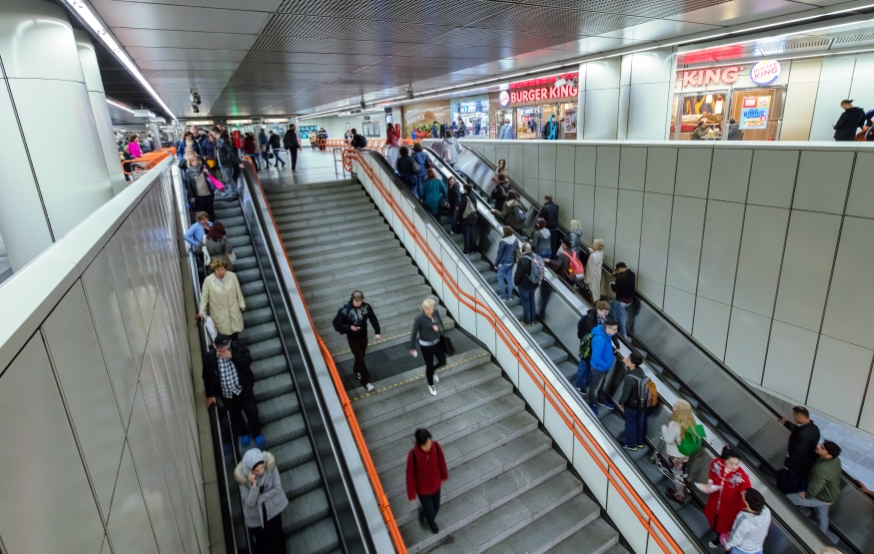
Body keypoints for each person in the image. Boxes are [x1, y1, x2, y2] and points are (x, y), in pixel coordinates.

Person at [202, 333, 263, 448]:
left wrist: (232, 356)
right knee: (235, 414)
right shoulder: (210, 357)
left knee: (252, 411)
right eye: (219, 348)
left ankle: (256, 433)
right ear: (215, 346)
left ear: (230, 343)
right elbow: (207, 376)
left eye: (224, 347)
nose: (222, 350)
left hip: (243, 388)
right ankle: (244, 433)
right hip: (226, 393)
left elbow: (247, 361)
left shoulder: (239, 347)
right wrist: (210, 394)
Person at [234, 448, 288, 553]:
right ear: (250, 470)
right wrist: (254, 486)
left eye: (262, 468)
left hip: (273, 511)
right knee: (263, 543)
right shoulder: (243, 479)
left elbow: (277, 488)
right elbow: (249, 503)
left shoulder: (270, 466)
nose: (261, 472)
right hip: (257, 518)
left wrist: (259, 499)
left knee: (278, 538)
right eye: (256, 471)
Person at [788, 441, 841, 534]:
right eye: (821, 444)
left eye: (822, 448)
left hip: (821, 497)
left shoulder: (821, 469)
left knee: (788, 498)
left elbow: (816, 487)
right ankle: (821, 537)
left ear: (828, 456)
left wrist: (807, 495)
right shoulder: (836, 460)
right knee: (822, 517)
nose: (817, 446)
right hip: (829, 496)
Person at [332, 291, 381, 392]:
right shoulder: (345, 310)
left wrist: (377, 332)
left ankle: (356, 369)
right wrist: (349, 327)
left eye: (360, 301)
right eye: (356, 301)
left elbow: (373, 318)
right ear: (352, 299)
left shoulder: (366, 307)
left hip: (363, 336)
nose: (358, 303)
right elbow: (338, 323)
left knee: (361, 356)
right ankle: (366, 381)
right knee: (360, 358)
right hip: (352, 338)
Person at [702, 447, 751, 547]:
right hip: (715, 500)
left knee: (723, 523)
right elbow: (712, 472)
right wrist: (710, 482)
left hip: (728, 506)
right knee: (714, 519)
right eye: (731, 463)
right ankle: (716, 531)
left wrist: (743, 492)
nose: (734, 467)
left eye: (737, 464)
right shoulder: (717, 463)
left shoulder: (741, 474)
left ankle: (718, 539)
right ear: (724, 460)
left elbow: (746, 488)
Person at [406, 428, 448, 534]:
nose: (428, 446)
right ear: (420, 445)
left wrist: (444, 475)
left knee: (436, 508)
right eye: (425, 445)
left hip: (436, 485)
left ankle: (423, 511)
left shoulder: (436, 447)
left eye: (429, 442)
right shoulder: (413, 455)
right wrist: (411, 494)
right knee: (431, 513)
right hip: (423, 490)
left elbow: (441, 462)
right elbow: (410, 475)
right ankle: (431, 522)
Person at [777, 406, 821, 494]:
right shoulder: (814, 428)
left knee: (791, 483)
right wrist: (787, 423)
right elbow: (798, 429)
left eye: (794, 416)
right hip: (806, 464)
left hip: (797, 465)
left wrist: (788, 464)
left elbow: (798, 452)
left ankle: (788, 497)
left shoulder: (803, 434)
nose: (794, 417)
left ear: (800, 417)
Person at [408, 298, 447, 396]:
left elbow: (440, 324)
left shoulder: (435, 313)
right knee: (429, 366)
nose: (431, 310)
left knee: (442, 360)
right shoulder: (419, 319)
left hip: (437, 342)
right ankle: (431, 385)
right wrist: (412, 347)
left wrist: (437, 326)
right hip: (426, 346)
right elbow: (413, 333)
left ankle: (433, 371)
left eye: (432, 308)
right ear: (424, 309)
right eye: (428, 309)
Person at [199, 258, 246, 338]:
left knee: (235, 334)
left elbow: (238, 291)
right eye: (218, 270)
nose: (220, 272)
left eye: (222, 269)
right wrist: (202, 311)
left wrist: (242, 304)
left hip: (233, 309)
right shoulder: (208, 281)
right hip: (219, 313)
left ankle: (235, 347)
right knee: (223, 335)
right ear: (214, 270)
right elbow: (204, 297)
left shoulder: (232, 276)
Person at [574, 300, 614, 392]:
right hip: (587, 346)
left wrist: (617, 346)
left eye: (607, 312)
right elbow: (595, 332)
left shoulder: (604, 319)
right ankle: (579, 384)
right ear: (598, 310)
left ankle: (586, 381)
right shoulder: (590, 318)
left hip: (596, 345)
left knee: (589, 364)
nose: (606, 313)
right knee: (584, 364)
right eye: (604, 311)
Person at [663, 399, 697, 505]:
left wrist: (664, 428)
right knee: (682, 473)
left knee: (678, 476)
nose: (673, 405)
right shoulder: (691, 420)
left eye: (676, 406)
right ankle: (682, 489)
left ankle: (679, 496)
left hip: (676, 455)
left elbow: (669, 439)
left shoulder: (675, 423)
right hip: (685, 454)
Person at [586, 318, 619, 415]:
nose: (616, 331)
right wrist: (605, 365)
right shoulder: (600, 339)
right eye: (614, 329)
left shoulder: (607, 335)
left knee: (601, 384)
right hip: (599, 368)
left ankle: (601, 399)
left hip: (604, 368)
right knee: (595, 387)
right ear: (608, 328)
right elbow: (596, 357)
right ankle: (592, 404)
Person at [722, 489, 770, 554]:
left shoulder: (744, 519)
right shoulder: (767, 511)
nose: (743, 492)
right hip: (757, 548)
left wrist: (728, 545)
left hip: (741, 550)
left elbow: (736, 536)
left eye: (744, 494)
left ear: (748, 503)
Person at [617, 352, 647, 450]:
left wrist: (621, 402)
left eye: (628, 359)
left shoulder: (629, 378)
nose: (625, 359)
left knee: (630, 423)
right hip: (642, 404)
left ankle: (631, 444)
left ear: (633, 364)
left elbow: (626, 394)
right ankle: (639, 442)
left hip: (631, 405)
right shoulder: (641, 372)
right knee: (639, 422)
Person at [513, 243, 542, 327]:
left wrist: (516, 282)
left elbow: (518, 274)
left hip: (524, 285)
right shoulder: (536, 257)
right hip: (534, 284)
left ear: (523, 250)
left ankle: (526, 322)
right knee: (532, 301)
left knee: (526, 303)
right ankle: (533, 320)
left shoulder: (522, 260)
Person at [610, 262, 635, 339]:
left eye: (617, 270)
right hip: (630, 300)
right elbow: (624, 280)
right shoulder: (632, 274)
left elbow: (616, 289)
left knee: (621, 317)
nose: (617, 271)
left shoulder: (620, 277)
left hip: (621, 301)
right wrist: (617, 275)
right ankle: (614, 320)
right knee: (610, 304)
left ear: (620, 268)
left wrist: (612, 284)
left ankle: (623, 334)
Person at [495, 226, 518, 301]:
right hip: (511, 262)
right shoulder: (515, 239)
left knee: (500, 278)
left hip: (503, 263)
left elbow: (499, 254)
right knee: (509, 278)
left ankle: (503, 296)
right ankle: (510, 296)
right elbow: (517, 248)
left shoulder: (503, 241)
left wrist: (496, 264)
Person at [456, 184, 478, 255]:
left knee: (466, 235)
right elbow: (475, 208)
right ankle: (472, 250)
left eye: (463, 188)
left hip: (466, 218)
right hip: (473, 217)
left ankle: (466, 250)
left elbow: (461, 210)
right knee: (472, 234)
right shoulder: (474, 196)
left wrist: (457, 219)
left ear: (465, 189)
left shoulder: (465, 197)